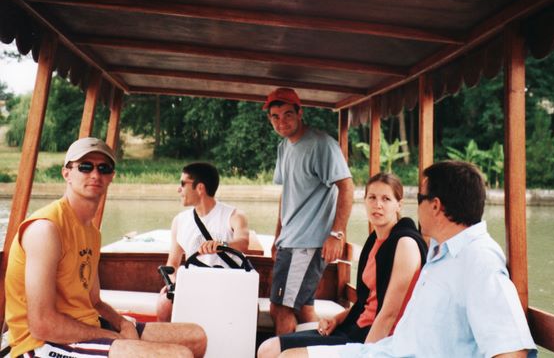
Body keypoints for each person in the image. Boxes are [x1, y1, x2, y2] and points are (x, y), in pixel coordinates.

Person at [282, 161, 537, 358]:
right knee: (289, 356)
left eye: (419, 199)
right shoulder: (441, 254)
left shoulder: (479, 259)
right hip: (387, 350)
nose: (417, 208)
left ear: (435, 206)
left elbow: (512, 350)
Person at [4, 137, 207, 358]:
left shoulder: (92, 233)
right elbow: (42, 325)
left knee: (195, 337)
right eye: (85, 166)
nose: (95, 174)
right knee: (178, 355)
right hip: (41, 344)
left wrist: (123, 324)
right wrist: (113, 337)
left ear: (111, 176)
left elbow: (94, 301)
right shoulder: (46, 229)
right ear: (66, 173)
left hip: (84, 325)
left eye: (103, 168)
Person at [258, 173, 428, 358]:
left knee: (281, 354)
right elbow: (366, 301)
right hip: (353, 327)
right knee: (268, 349)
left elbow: (389, 314)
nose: (378, 204)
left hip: (375, 338)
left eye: (386, 199)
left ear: (399, 205)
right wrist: (336, 320)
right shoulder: (374, 241)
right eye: (372, 197)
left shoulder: (405, 244)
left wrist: (365, 354)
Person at [264, 87, 355, 334]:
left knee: (281, 309)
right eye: (275, 117)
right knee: (303, 308)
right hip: (290, 241)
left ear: (300, 113)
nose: (281, 122)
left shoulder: (322, 144)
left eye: (287, 114)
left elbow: (347, 187)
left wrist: (336, 234)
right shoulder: (284, 147)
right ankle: (316, 349)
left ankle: (284, 351)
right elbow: (287, 195)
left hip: (306, 244)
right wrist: (277, 237)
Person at [156, 162, 250, 322]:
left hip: (227, 286)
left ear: (200, 188)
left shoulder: (234, 216)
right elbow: (173, 264)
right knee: (164, 304)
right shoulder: (179, 221)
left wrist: (222, 245)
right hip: (194, 286)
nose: (178, 189)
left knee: (251, 307)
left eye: (182, 184)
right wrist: (174, 285)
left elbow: (243, 242)